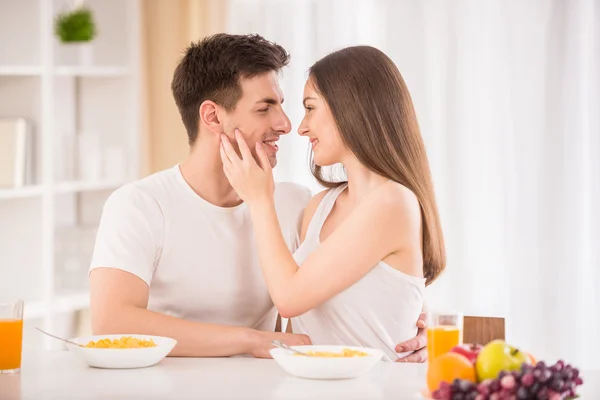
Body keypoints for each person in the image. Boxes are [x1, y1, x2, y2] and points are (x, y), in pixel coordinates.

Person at [89, 33, 428, 361]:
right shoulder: (140, 205)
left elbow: (359, 280)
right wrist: (250, 340)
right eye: (265, 108)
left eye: (283, 106)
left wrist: (416, 320)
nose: (286, 124)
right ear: (212, 116)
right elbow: (111, 322)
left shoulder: (296, 204)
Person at [220, 44, 445, 361]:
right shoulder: (320, 207)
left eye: (310, 108)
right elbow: (299, 326)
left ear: (351, 107)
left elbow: (288, 298)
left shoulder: (393, 202)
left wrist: (258, 199)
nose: (301, 127)